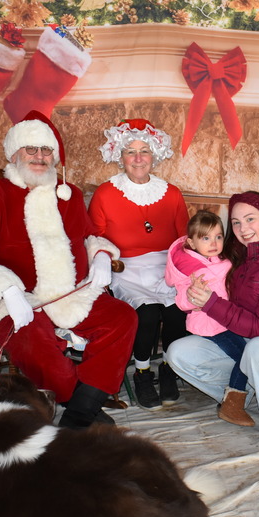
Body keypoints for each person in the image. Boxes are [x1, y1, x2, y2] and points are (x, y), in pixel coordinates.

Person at [0, 110, 138, 429]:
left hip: (69, 293)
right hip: (19, 299)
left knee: (123, 317)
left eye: (46, 150)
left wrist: (101, 256)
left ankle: (78, 416)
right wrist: (7, 290)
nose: (39, 157)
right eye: (31, 149)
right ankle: (81, 402)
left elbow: (88, 236)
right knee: (35, 343)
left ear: (54, 155)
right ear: (14, 154)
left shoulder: (70, 194)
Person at [166, 191, 259, 446]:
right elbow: (188, 252)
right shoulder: (239, 252)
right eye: (236, 222)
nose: (243, 229)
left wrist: (211, 303)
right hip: (245, 338)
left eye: (250, 219)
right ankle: (239, 396)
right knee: (178, 352)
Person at [89, 119, 189, 410]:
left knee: (176, 312)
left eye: (144, 151)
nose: (137, 158)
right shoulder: (106, 193)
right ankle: (142, 373)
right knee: (145, 315)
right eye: (130, 151)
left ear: (154, 155)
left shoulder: (171, 193)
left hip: (165, 266)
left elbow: (184, 238)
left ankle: (170, 369)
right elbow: (94, 237)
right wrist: (102, 262)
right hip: (126, 266)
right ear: (119, 156)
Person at [164, 210, 252, 427]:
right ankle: (233, 404)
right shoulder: (192, 270)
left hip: (230, 319)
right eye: (205, 238)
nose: (213, 243)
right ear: (192, 243)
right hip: (214, 325)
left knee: (245, 355)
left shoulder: (219, 260)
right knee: (245, 357)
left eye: (218, 236)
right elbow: (182, 302)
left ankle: (239, 394)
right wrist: (194, 295)